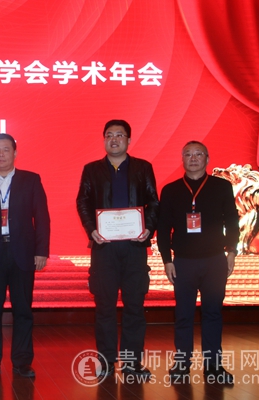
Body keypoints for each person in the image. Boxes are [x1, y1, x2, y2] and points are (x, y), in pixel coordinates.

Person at [76, 120, 159, 377]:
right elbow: (82, 202)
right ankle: (107, 362)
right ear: (104, 139)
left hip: (134, 248)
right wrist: (92, 229)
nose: (114, 139)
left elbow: (154, 202)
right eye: (109, 135)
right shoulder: (92, 169)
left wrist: (148, 228)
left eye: (119, 135)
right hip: (104, 249)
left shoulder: (143, 168)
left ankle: (132, 364)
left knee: (135, 307)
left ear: (128, 140)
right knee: (105, 307)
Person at [0, 133, 50, 378]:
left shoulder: (31, 180)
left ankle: (22, 361)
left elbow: (42, 218)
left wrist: (41, 250)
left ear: (15, 153)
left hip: (22, 252)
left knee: (23, 310)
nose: (1, 154)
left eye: (5, 149)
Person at [157, 141, 238, 384]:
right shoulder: (170, 190)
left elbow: (232, 220)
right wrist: (167, 260)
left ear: (207, 158)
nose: (193, 158)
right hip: (183, 262)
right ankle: (182, 365)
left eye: (198, 154)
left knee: (213, 313)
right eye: (188, 154)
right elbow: (163, 228)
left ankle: (214, 367)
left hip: (214, 260)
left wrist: (231, 252)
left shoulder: (222, 186)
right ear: (182, 159)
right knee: (183, 315)